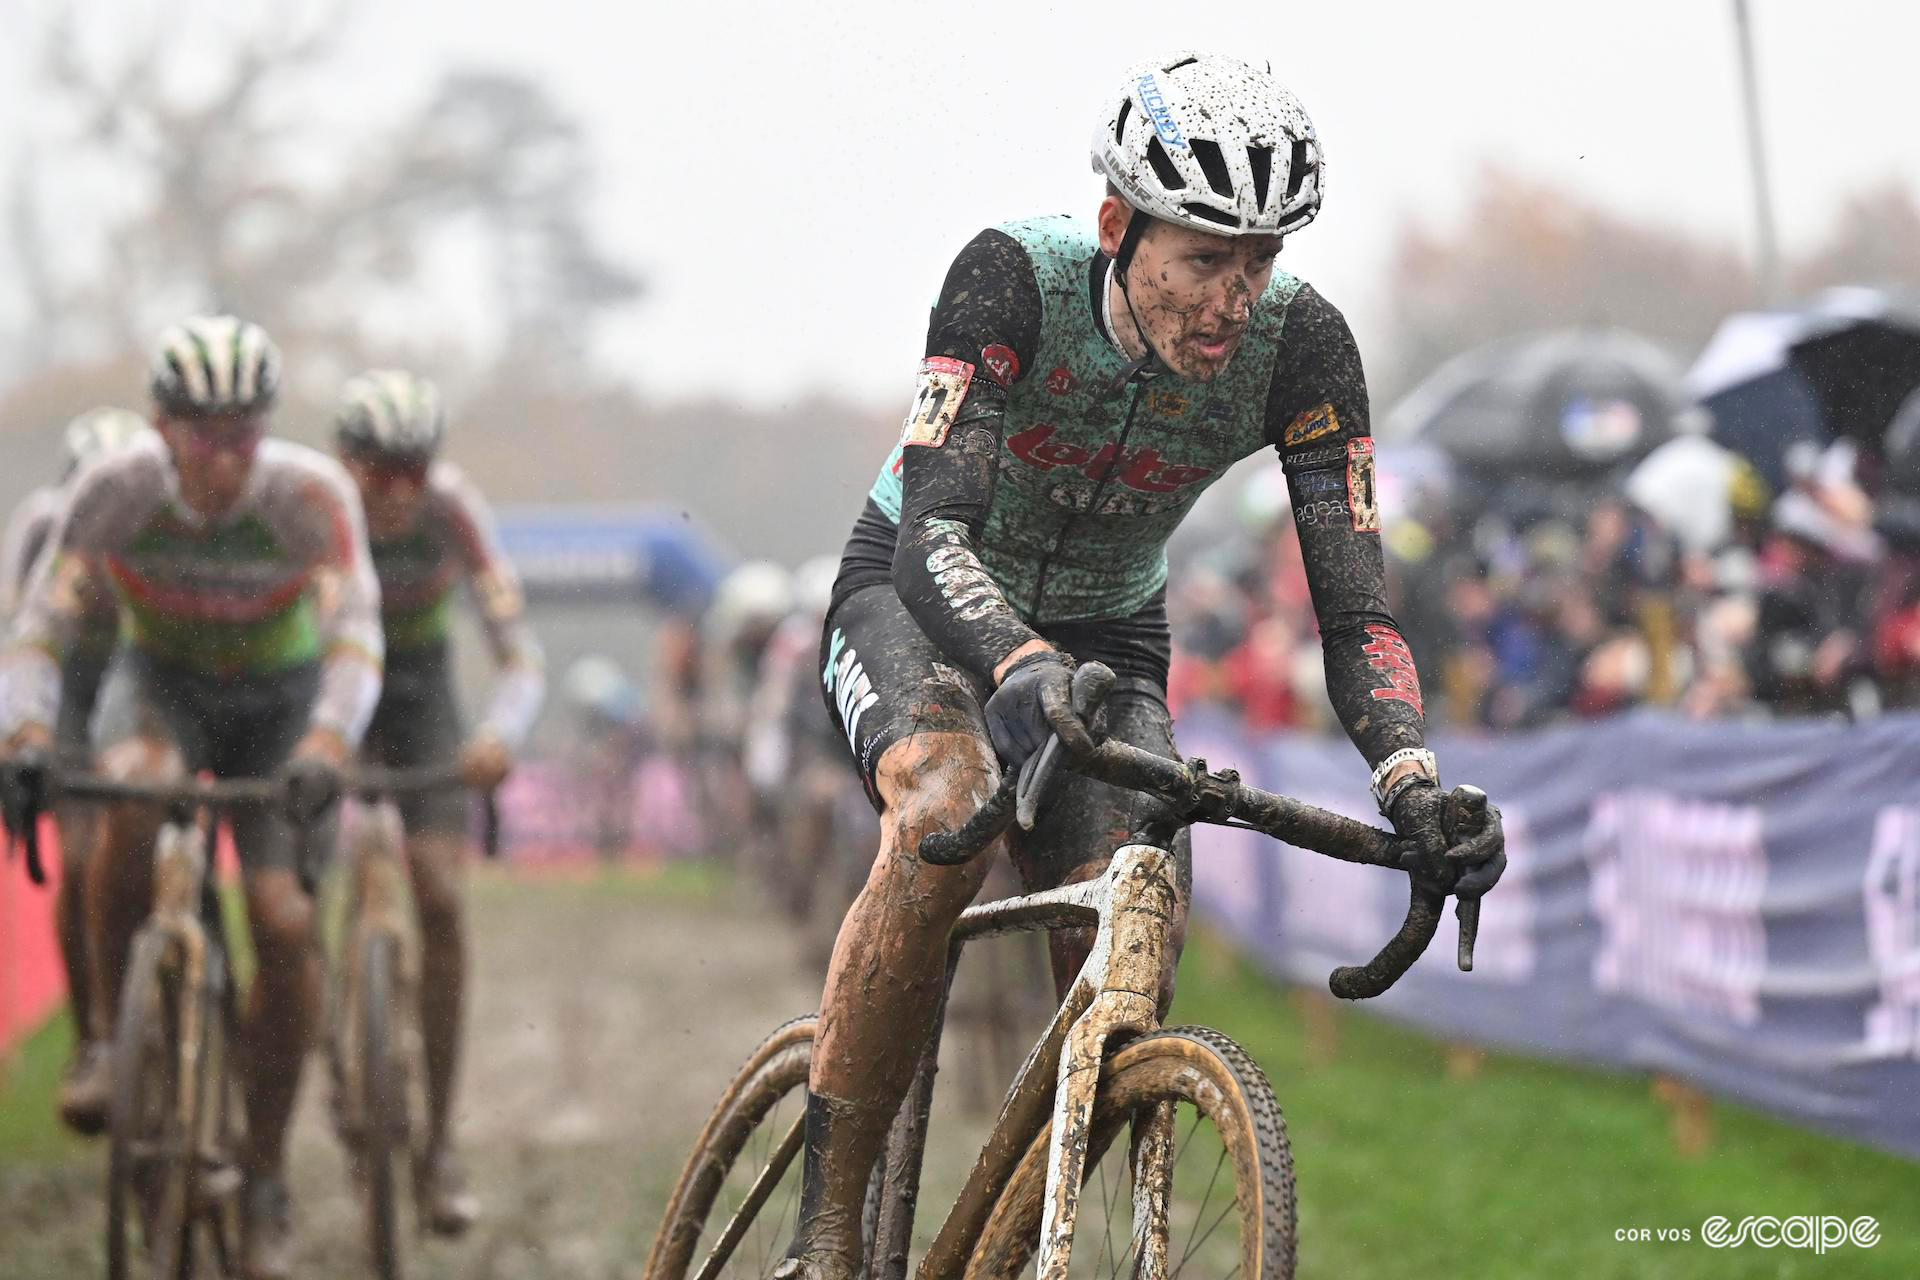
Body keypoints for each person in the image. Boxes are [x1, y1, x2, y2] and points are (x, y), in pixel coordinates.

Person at [780, 53, 1505, 1276]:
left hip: (1111, 633)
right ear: (1119, 226)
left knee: (1136, 915)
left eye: (1260, 260)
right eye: (1205, 257)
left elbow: (1356, 611)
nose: (1234, 298)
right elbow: (932, 533)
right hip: (924, 594)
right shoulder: (1011, 278)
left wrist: (1411, 777)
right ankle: (827, 1232)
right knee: (947, 801)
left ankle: (1018, 1232)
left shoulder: (1305, 349)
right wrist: (1012, 659)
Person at [0, 315, 384, 1280]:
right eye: (201, 436)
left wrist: (329, 739)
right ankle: (105, 1036)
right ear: (160, 428)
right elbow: (41, 621)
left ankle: (260, 1175)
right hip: (161, 682)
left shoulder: (309, 495)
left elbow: (357, 633)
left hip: (280, 703)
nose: (222, 459)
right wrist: (32, 734)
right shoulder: (115, 490)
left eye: (242, 436)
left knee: (284, 924)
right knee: (131, 790)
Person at [331, 369, 545, 1232]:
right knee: (291, 897)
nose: (397, 489)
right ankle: (323, 1045)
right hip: (325, 697)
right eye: (379, 471)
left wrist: (499, 733)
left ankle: (440, 1143)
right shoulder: (312, 506)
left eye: (414, 468)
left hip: (419, 699)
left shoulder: (454, 509)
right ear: (345, 464)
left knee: (442, 897)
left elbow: (517, 652)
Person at [1, 407, 152, 1128]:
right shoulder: (39, 527)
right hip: (65, 679)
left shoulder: (164, 523)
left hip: (136, 672)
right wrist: (18, 735)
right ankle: (93, 1035)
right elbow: (17, 632)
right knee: (86, 854)